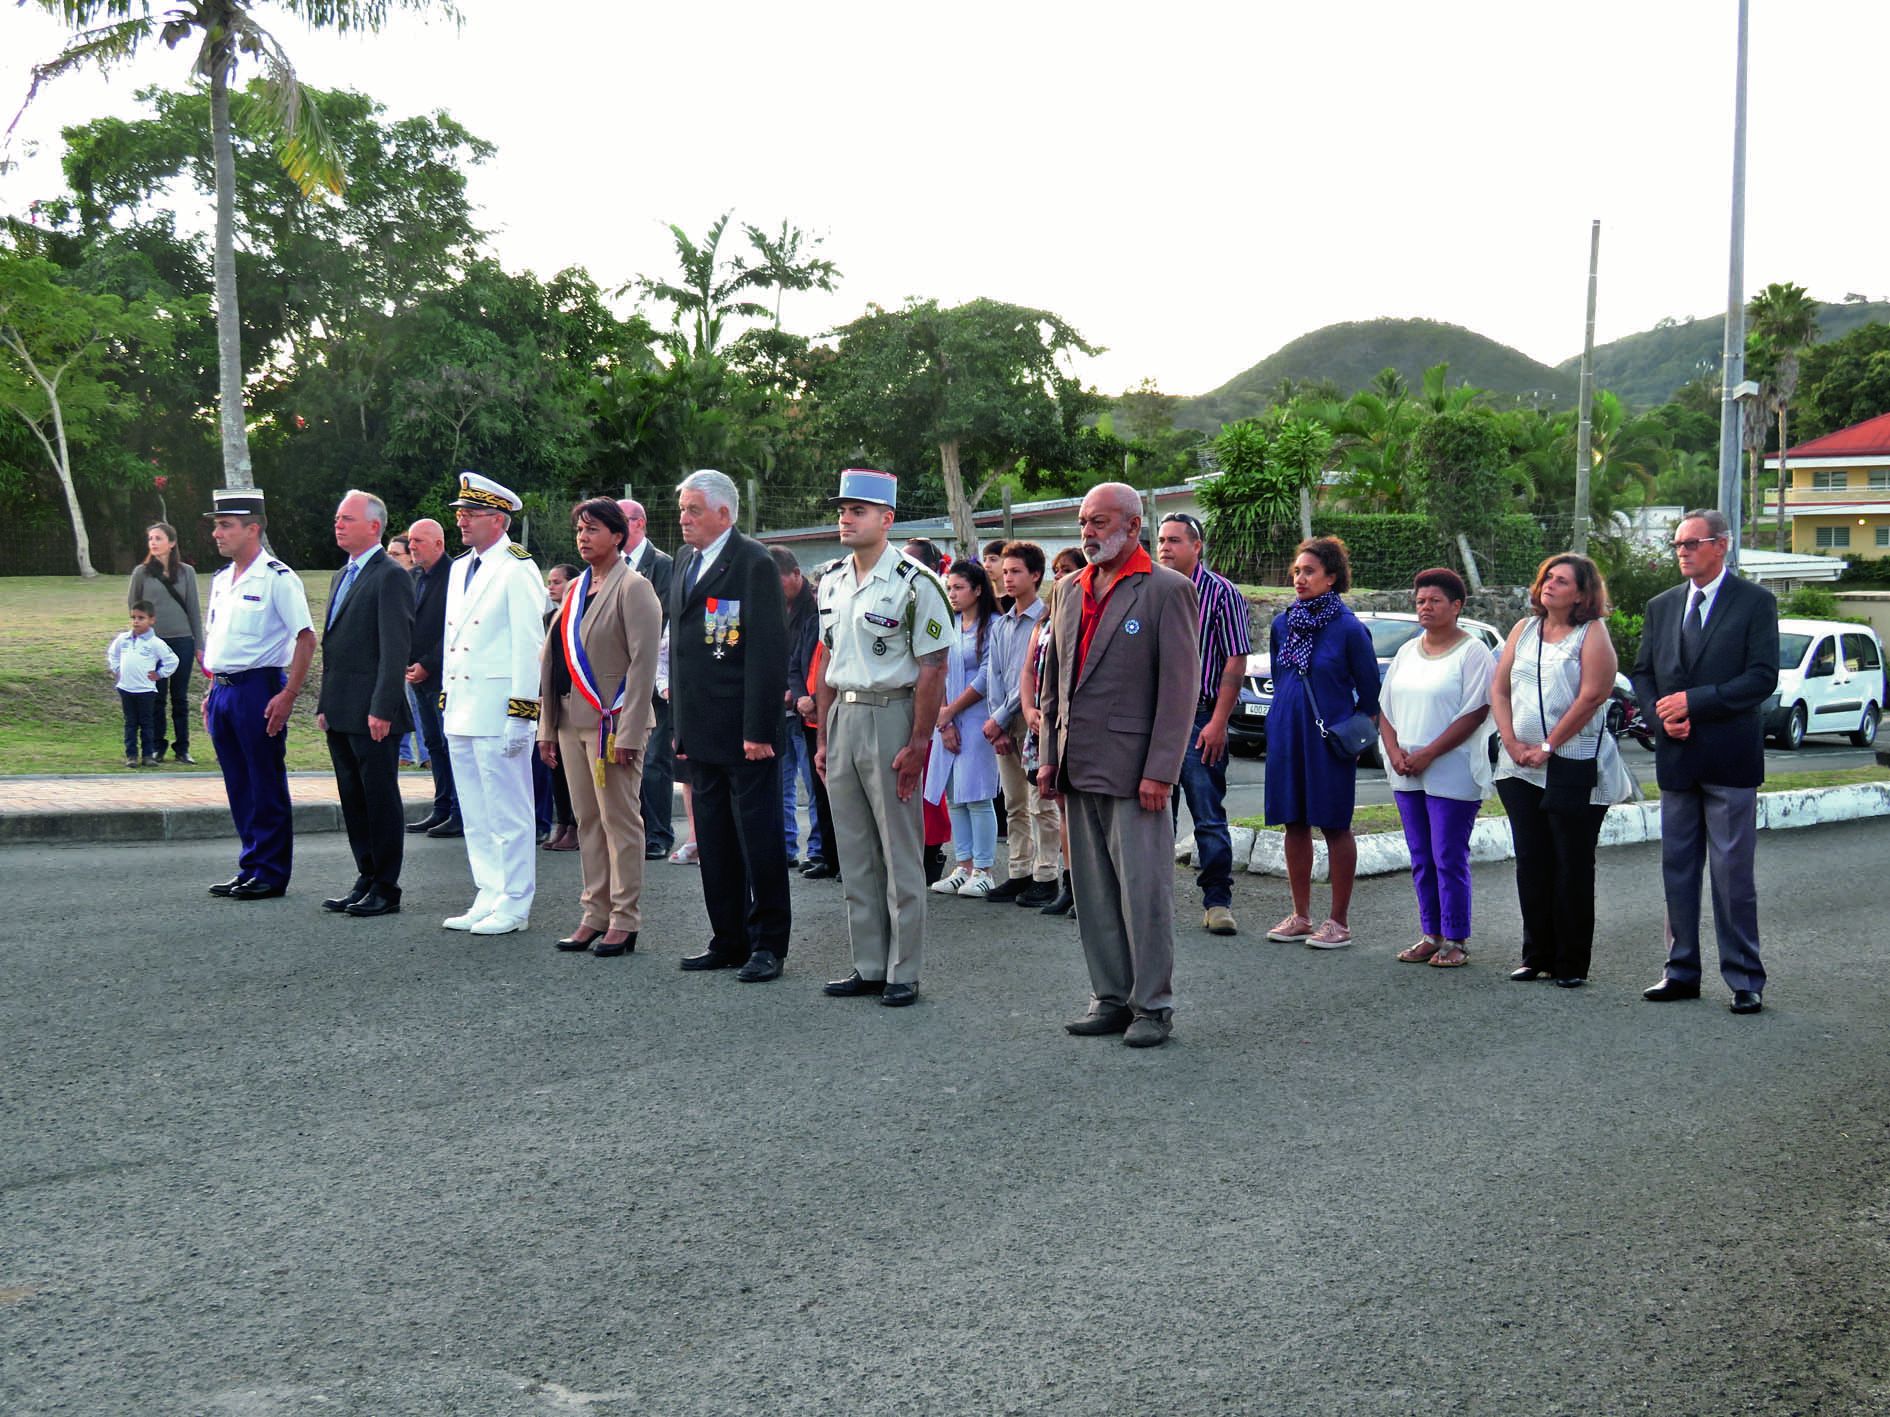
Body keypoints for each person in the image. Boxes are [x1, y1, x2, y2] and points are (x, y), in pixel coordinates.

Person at [1037, 484, 1199, 1048]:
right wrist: (1048, 757)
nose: (1087, 532)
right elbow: (1054, 680)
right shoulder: (1067, 588)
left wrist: (1161, 770)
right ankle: (1109, 997)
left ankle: (1152, 1006)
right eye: (1084, 522)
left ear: (1133, 527)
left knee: (1143, 894)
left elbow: (1179, 691)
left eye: (1099, 522)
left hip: (1136, 772)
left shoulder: (1167, 590)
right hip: (1077, 763)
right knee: (1094, 892)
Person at [1632, 510, 1780, 1014]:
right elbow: (1643, 673)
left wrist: (1694, 703)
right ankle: (1680, 971)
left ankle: (1744, 977)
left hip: (1729, 760)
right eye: (1677, 544)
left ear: (1721, 545)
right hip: (1677, 758)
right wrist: (1661, 719)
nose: (1682, 552)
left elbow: (1761, 677)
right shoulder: (1661, 605)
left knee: (1732, 875)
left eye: (1692, 543)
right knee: (1677, 870)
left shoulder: (1755, 602)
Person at [816, 470, 953, 1006]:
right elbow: (828, 661)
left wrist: (919, 743)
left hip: (893, 713)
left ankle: (903, 969)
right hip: (843, 716)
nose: (846, 519)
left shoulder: (916, 583)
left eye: (858, 510)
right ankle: (868, 963)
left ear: (887, 518)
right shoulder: (831, 580)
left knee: (899, 850)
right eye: (843, 511)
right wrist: (824, 738)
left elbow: (933, 668)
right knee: (854, 850)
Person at [668, 469, 792, 984]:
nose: (684, 519)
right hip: (700, 729)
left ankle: (767, 944)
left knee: (758, 841)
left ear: (724, 513)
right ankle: (728, 937)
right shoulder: (685, 560)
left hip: (744, 733)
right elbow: (681, 651)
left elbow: (766, 652)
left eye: (694, 510)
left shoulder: (752, 562)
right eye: (682, 509)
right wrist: (679, 728)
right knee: (714, 841)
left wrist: (758, 728)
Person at [1491, 553, 1635, 988]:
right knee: (1531, 861)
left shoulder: (1592, 633)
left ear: (1581, 593)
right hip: (1519, 766)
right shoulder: (1524, 629)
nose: (1550, 585)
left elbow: (1593, 695)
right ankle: (1536, 954)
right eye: (1547, 578)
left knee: (1571, 864)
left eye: (1562, 581)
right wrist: (1511, 742)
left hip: (1574, 762)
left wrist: (1549, 746)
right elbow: (1500, 689)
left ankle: (1570, 962)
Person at [539, 498, 663, 957]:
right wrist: (547, 727)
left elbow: (643, 665)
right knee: (587, 820)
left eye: (592, 529)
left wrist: (629, 732)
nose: (583, 537)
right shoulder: (574, 589)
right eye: (579, 530)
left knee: (619, 821)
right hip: (570, 720)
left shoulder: (635, 588)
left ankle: (624, 919)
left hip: (613, 724)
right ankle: (594, 913)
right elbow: (553, 659)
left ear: (618, 535)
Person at [439, 471, 547, 936]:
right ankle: (489, 891)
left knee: (509, 811)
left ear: (499, 520)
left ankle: (516, 901)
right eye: (461, 513)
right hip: (463, 706)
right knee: (476, 812)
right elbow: (453, 641)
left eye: (472, 513)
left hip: (499, 708)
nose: (462, 520)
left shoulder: (517, 567)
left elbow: (529, 645)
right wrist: (446, 699)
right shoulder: (460, 567)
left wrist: (522, 714)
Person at [199, 488, 316, 900]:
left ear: (253, 529)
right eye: (217, 526)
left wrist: (289, 695)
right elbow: (220, 640)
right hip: (224, 690)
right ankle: (250, 864)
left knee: (264, 781)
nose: (217, 533)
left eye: (225, 525)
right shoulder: (221, 580)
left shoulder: (277, 578)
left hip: (259, 688)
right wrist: (210, 691)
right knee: (238, 783)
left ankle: (270, 870)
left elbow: (305, 638)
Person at [1263, 537, 1379, 950]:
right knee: (1293, 822)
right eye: (1297, 571)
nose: (1300, 578)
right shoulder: (1283, 624)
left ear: (1332, 577)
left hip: (1328, 740)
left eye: (1309, 571)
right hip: (1286, 734)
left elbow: (1370, 696)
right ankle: (1300, 916)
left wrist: (1352, 736)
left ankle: (1338, 922)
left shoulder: (1349, 629)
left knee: (1334, 824)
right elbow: (1281, 680)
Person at [1378, 568, 1496, 969]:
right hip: (1406, 770)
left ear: (1456, 606)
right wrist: (1395, 751)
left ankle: (1456, 938)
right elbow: (1385, 708)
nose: (1425, 607)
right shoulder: (1407, 652)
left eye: (1434, 601)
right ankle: (1431, 934)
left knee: (1448, 855)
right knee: (1421, 856)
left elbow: (1475, 712)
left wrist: (1429, 753)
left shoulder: (1473, 653)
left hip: (1452, 769)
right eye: (1420, 601)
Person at [314, 490, 415, 919]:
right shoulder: (343, 574)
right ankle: (366, 875)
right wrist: (325, 703)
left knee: (378, 798)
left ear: (374, 526)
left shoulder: (390, 575)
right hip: (341, 707)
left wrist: (383, 708)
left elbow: (395, 648)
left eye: (347, 518)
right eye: (338, 517)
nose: (338, 524)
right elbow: (334, 646)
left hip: (373, 711)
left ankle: (386, 886)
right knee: (353, 798)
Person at [1155, 512, 1253, 936]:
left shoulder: (1221, 593)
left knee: (1207, 815)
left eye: (1175, 540)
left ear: (1197, 547)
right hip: (1156, 719)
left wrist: (1218, 722)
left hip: (1200, 718)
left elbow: (1236, 659)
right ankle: (1154, 901)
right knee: (1154, 814)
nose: (1165, 548)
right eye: (1161, 540)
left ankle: (1217, 901)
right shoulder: (1150, 589)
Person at [981, 541, 1060, 906]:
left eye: (1016, 572)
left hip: (1033, 720)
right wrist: (996, 721)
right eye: (1005, 571)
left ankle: (1047, 875)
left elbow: (1030, 679)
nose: (1007, 578)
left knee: (1040, 803)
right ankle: (1019, 870)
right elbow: (994, 675)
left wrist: (1000, 716)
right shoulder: (1001, 624)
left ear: (1036, 575)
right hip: (1003, 722)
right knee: (1014, 802)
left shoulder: (1047, 621)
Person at [926, 559, 1002, 897]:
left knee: (978, 795)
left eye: (958, 587)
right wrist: (943, 719)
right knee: (955, 795)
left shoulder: (994, 626)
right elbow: (937, 668)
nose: (952, 594)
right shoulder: (950, 625)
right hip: (946, 717)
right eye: (949, 588)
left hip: (976, 717)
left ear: (978, 589)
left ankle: (984, 869)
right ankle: (964, 865)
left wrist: (951, 711)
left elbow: (987, 675)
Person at [1018, 546, 1085, 915]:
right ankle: (1070, 884)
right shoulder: (1044, 621)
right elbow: (1029, 670)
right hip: (1043, 726)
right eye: (1056, 569)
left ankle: (1089, 889)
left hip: (1072, 725)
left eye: (1067, 569)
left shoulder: (1085, 614)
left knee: (1078, 807)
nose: (1059, 576)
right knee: (1059, 804)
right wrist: (1030, 709)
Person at [619, 498, 678, 861]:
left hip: (655, 677)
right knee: (624, 757)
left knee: (655, 758)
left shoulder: (663, 566)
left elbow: (666, 618)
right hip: (617, 679)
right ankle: (634, 830)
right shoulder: (610, 565)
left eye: (620, 520)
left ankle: (658, 833)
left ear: (639, 523)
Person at [403, 518, 461, 838]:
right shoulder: (413, 577)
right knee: (433, 744)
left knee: (450, 743)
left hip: (444, 675)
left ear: (439, 543)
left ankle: (459, 811)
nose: (412, 546)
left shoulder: (455, 575)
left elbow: (455, 628)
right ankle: (441, 807)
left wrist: (428, 663)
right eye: (410, 540)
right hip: (416, 676)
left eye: (419, 541)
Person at [127, 522, 203, 764]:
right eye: (151, 538)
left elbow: (194, 610)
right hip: (153, 643)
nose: (153, 542)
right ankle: (156, 746)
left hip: (182, 641)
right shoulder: (141, 573)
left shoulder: (187, 572)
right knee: (156, 697)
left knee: (180, 698)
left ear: (171, 543)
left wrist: (199, 644)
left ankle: (183, 748)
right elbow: (134, 607)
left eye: (158, 538)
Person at [773, 547, 826, 870]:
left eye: (778, 581)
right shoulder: (772, 606)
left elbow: (815, 660)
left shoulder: (814, 607)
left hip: (809, 708)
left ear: (796, 574)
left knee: (814, 782)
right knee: (782, 784)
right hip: (782, 706)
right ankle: (786, 846)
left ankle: (818, 849)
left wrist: (801, 694)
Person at [537, 564, 581, 852]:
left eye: (557, 582)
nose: (551, 587)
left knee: (574, 770)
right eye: (549, 582)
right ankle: (563, 822)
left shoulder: (580, 615)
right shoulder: (549, 618)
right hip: (554, 697)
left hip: (576, 698)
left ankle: (577, 825)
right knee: (557, 766)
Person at [794, 622, 840, 879]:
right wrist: (801, 698)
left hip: (835, 717)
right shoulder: (813, 624)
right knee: (820, 793)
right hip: (811, 723)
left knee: (842, 794)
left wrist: (814, 700)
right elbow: (795, 665)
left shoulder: (843, 622)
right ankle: (828, 858)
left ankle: (848, 862)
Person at [109, 600, 179, 766]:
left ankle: (148, 755)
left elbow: (172, 660)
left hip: (146, 690)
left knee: (147, 724)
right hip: (126, 688)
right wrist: (117, 668)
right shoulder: (123, 639)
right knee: (130, 723)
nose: (136, 621)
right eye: (133, 618)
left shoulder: (155, 643)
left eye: (141, 618)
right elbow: (113, 654)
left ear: (151, 620)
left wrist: (160, 674)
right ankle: (131, 756)